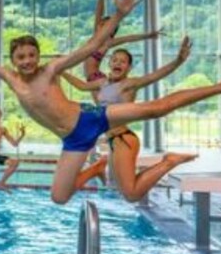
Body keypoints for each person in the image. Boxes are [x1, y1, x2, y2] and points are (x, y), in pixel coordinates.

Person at [0, 0, 221, 205]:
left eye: (31, 55)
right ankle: (97, 168)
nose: (27, 61)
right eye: (21, 57)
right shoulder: (11, 78)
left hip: (89, 117)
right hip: (73, 141)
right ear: (13, 60)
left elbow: (94, 45)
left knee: (158, 108)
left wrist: (120, 15)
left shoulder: (51, 70)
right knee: (58, 197)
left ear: (38, 55)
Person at [63, 36, 199, 201]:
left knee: (132, 194)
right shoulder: (102, 83)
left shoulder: (129, 84)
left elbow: (154, 76)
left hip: (123, 139)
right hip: (114, 141)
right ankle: (165, 162)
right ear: (109, 64)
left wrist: (178, 61)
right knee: (120, 188)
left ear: (128, 67)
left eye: (123, 61)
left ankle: (169, 162)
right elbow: (81, 85)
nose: (118, 63)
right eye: (114, 60)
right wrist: (59, 71)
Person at [84, 0, 162, 84]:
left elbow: (129, 38)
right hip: (94, 78)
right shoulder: (96, 37)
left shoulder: (108, 42)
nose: (100, 25)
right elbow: (99, 11)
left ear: (110, 31)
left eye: (105, 25)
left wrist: (149, 35)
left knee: (112, 99)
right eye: (101, 24)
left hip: (95, 78)